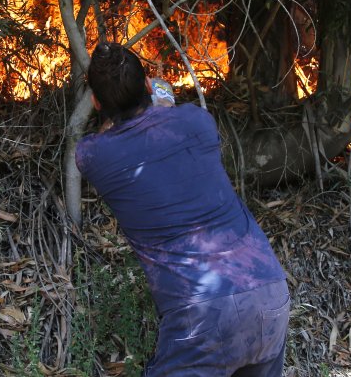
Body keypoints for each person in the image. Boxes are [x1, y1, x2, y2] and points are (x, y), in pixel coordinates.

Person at [75, 42, 290, 376]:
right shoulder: (198, 121)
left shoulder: (93, 156)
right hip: (268, 290)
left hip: (202, 315)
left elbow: (110, 134)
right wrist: (159, 95)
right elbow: (166, 99)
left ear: (95, 102)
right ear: (146, 85)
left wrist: (117, 109)